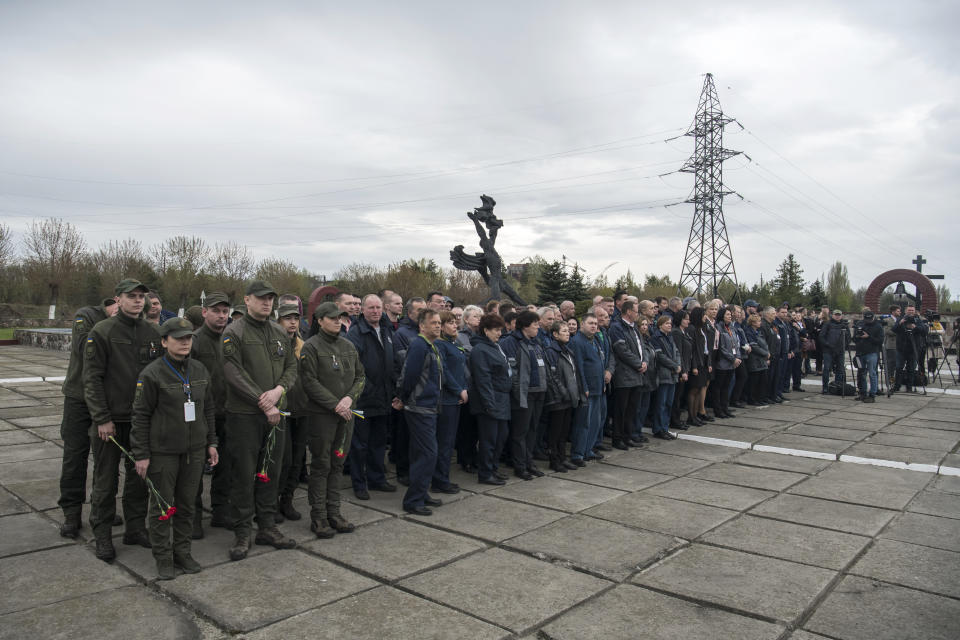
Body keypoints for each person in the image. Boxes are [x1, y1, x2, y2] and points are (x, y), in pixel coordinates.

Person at [131, 317, 219, 580]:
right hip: (163, 452)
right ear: (163, 341)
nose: (184, 342)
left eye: (188, 337)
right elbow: (141, 416)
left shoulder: (201, 371)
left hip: (194, 450)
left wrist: (211, 442)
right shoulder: (152, 374)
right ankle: (163, 557)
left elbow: (208, 409)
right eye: (178, 338)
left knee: (187, 505)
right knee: (162, 506)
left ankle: (183, 552)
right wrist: (142, 454)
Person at [84, 279, 162, 562]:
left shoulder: (152, 333)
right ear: (118, 299)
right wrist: (101, 418)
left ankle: (135, 528)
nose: (138, 301)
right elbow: (91, 379)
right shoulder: (102, 331)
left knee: (138, 477)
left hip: (141, 420)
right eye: (132, 296)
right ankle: (102, 533)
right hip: (110, 421)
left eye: (142, 296)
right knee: (105, 480)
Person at [221, 280, 298, 560]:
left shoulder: (279, 332)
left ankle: (266, 526)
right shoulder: (234, 332)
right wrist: (262, 400)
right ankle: (243, 532)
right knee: (244, 473)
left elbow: (291, 366)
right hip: (245, 416)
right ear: (247, 300)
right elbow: (232, 371)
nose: (267, 303)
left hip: (276, 414)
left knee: (271, 471)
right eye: (261, 298)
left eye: (270, 299)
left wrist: (279, 390)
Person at [296, 302, 365, 538]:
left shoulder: (348, 346)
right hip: (322, 416)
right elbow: (309, 381)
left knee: (337, 463)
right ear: (320, 320)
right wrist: (335, 404)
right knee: (321, 464)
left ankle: (334, 512)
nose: (338, 321)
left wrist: (349, 399)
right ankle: (319, 517)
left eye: (340, 318)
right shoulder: (311, 347)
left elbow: (360, 376)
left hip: (346, 415)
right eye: (333, 318)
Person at [57, 296, 119, 539]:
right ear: (116, 300)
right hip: (79, 398)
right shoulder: (88, 315)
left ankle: (103, 507)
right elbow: (85, 348)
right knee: (75, 455)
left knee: (107, 459)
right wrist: (111, 325)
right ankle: (71, 512)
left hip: (107, 400)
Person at [345, 294, 399, 501]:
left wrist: (394, 391)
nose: (375, 311)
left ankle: (377, 479)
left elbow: (392, 362)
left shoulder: (386, 331)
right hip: (363, 399)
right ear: (363, 310)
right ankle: (359, 483)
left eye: (378, 307)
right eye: (371, 308)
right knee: (359, 445)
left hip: (384, 399)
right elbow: (353, 368)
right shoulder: (356, 334)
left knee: (378, 442)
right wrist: (365, 390)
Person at [190, 291, 232, 535]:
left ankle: (220, 511)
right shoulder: (194, 341)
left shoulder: (230, 339)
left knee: (225, 467)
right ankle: (193, 517)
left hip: (227, 412)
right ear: (205, 312)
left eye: (225, 312)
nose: (221, 316)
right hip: (200, 415)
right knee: (196, 469)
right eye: (216, 311)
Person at [398, 309, 444, 516]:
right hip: (419, 407)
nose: (438, 325)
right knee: (428, 453)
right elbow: (410, 376)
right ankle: (413, 500)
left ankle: (421, 493)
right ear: (422, 326)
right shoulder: (419, 345)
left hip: (429, 407)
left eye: (439, 322)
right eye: (433, 322)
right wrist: (404, 398)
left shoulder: (430, 345)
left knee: (421, 453)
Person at [500, 310, 549, 480]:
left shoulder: (536, 343)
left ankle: (529, 462)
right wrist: (517, 391)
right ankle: (520, 466)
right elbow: (511, 371)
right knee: (520, 432)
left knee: (532, 430)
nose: (538, 327)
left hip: (538, 392)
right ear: (525, 326)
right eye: (535, 324)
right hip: (523, 394)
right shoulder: (510, 343)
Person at [275, 303, 306, 523]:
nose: (293, 322)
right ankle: (270, 503)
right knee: (280, 460)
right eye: (287, 318)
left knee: (296, 459)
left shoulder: (303, 346)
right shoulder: (273, 344)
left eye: (296, 318)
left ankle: (287, 499)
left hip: (302, 409)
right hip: (281, 410)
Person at [434, 310, 467, 494]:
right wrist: (459, 390)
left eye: (456, 322)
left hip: (454, 400)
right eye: (450, 323)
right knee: (444, 442)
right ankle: (439, 480)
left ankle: (443, 477)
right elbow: (444, 372)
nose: (455, 325)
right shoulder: (440, 345)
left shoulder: (453, 344)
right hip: (445, 400)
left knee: (448, 442)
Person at [606, 302, 647, 449]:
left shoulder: (634, 328)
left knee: (632, 409)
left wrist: (645, 361)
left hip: (637, 375)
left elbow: (642, 347)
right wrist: (638, 363)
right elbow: (621, 350)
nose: (637, 314)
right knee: (621, 409)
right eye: (636, 311)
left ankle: (627, 436)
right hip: (624, 375)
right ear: (628, 311)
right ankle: (618, 438)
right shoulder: (617, 327)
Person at [544, 321, 584, 472]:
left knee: (564, 431)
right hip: (558, 399)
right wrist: (564, 393)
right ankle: (554, 460)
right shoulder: (550, 351)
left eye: (568, 331)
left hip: (568, 398)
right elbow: (553, 376)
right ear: (555, 334)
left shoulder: (568, 350)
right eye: (564, 331)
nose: (568, 333)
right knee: (555, 431)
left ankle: (562, 458)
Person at [569, 313, 607, 465]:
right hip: (587, 389)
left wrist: (603, 383)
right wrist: (583, 386)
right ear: (582, 324)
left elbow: (600, 362)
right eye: (590, 323)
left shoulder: (595, 340)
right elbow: (578, 367)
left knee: (595, 422)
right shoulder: (577, 341)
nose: (594, 326)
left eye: (595, 323)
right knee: (583, 422)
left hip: (598, 387)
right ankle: (578, 453)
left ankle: (588, 450)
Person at [649, 315, 681, 439]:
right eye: (667, 323)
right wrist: (674, 366)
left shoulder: (670, 337)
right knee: (661, 403)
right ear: (660, 325)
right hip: (663, 374)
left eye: (670, 323)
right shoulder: (656, 338)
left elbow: (676, 352)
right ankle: (658, 429)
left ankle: (665, 427)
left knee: (668, 403)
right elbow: (660, 356)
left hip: (672, 375)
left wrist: (678, 365)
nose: (669, 325)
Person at [712, 308, 742, 419]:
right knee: (718, 387)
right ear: (722, 315)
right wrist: (732, 358)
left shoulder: (732, 328)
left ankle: (725, 408)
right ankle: (718, 410)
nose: (730, 316)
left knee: (726, 387)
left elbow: (736, 344)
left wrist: (737, 357)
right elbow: (721, 347)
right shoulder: (718, 327)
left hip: (732, 363)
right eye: (728, 314)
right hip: (722, 363)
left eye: (730, 314)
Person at [685, 307, 711, 426]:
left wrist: (709, 363)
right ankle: (691, 416)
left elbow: (707, 348)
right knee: (694, 390)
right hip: (696, 363)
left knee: (700, 388)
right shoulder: (692, 329)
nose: (705, 317)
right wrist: (694, 366)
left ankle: (695, 415)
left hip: (704, 361)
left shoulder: (703, 328)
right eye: (703, 315)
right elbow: (693, 350)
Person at [893, 305, 928, 393]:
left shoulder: (917, 320)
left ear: (914, 311)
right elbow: (894, 329)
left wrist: (915, 327)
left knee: (911, 368)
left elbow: (924, 331)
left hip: (913, 348)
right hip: (901, 348)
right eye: (909, 310)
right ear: (905, 311)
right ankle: (897, 386)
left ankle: (909, 387)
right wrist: (900, 323)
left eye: (912, 310)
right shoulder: (900, 319)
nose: (911, 312)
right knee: (898, 368)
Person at [854, 308, 883, 402]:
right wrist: (857, 336)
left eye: (869, 319)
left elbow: (880, 341)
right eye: (866, 319)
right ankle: (863, 393)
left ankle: (872, 394)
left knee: (872, 374)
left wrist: (868, 337)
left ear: (873, 317)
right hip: (860, 352)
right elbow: (854, 338)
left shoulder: (878, 326)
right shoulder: (859, 324)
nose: (868, 321)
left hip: (872, 352)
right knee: (862, 373)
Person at [670, 310, 693, 428]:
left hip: (686, 367)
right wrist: (683, 371)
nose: (688, 321)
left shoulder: (684, 332)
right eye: (686, 319)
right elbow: (678, 352)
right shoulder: (676, 332)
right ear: (680, 319)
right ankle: (674, 420)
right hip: (679, 369)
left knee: (679, 395)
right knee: (676, 397)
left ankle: (677, 419)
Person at [819, 309, 850, 394]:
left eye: (839, 315)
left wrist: (845, 346)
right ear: (832, 315)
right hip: (828, 350)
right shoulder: (827, 324)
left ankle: (837, 386)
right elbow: (821, 337)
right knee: (826, 368)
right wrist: (828, 344)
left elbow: (848, 338)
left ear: (841, 316)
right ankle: (825, 387)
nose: (837, 316)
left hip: (840, 351)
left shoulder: (844, 325)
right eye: (836, 315)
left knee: (840, 369)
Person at [744, 313, 770, 406]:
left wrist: (767, 353)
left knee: (762, 380)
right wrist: (765, 353)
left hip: (762, 360)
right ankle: (752, 399)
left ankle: (760, 398)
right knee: (754, 381)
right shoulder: (749, 332)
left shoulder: (759, 332)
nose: (760, 323)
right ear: (753, 323)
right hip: (754, 360)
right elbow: (754, 346)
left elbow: (764, 344)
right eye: (758, 321)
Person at [761, 307, 783, 403]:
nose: (775, 315)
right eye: (773, 313)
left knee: (775, 376)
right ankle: (766, 396)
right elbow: (763, 341)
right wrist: (767, 356)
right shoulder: (763, 325)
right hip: (769, 355)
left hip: (776, 355)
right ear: (767, 314)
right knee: (768, 378)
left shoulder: (773, 325)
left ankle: (773, 395)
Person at [882, 305, 901, 388]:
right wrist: (900, 333)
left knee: (897, 364)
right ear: (893, 312)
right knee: (891, 364)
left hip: (899, 345)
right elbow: (887, 331)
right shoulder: (887, 320)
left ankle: (895, 381)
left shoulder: (900, 320)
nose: (900, 312)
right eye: (898, 311)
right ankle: (889, 381)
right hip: (890, 345)